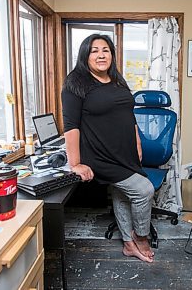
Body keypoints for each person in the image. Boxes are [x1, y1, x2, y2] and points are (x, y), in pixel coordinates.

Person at [61, 34, 155, 263]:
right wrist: (75, 163)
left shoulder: (117, 81)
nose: (101, 55)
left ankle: (128, 245)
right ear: (85, 55)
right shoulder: (76, 84)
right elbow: (71, 126)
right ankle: (141, 237)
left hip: (124, 151)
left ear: (112, 55)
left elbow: (127, 114)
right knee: (144, 189)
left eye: (106, 50)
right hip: (99, 154)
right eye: (94, 50)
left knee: (122, 193)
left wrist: (138, 143)